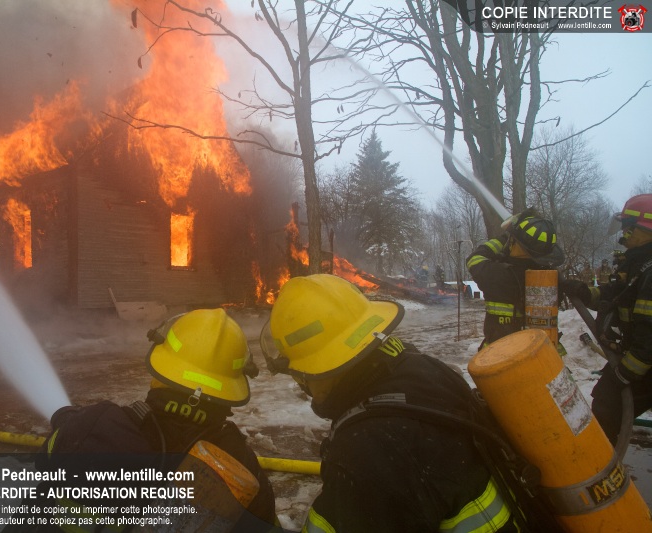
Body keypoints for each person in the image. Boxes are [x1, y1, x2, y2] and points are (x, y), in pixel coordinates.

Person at [261, 274, 526, 532]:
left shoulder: (365, 453)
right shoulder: (421, 369)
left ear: (326, 366)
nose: (303, 385)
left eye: (303, 374)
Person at [4, 308, 277, 532]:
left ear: (160, 367)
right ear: (232, 386)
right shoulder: (242, 467)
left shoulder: (99, 426)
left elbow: (45, 461)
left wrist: (74, 423)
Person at [560, 194, 652, 445]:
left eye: (628, 227)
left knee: (609, 404)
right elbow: (615, 296)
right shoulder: (639, 263)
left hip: (645, 362)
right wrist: (582, 292)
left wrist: (626, 371)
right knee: (607, 401)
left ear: (644, 228)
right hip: (642, 359)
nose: (624, 233)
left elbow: (650, 334)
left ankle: (601, 461)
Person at [466, 211, 564, 350]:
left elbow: (474, 259)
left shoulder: (497, 275)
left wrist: (504, 238)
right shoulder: (550, 278)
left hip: (501, 355)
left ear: (514, 242)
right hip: (544, 355)